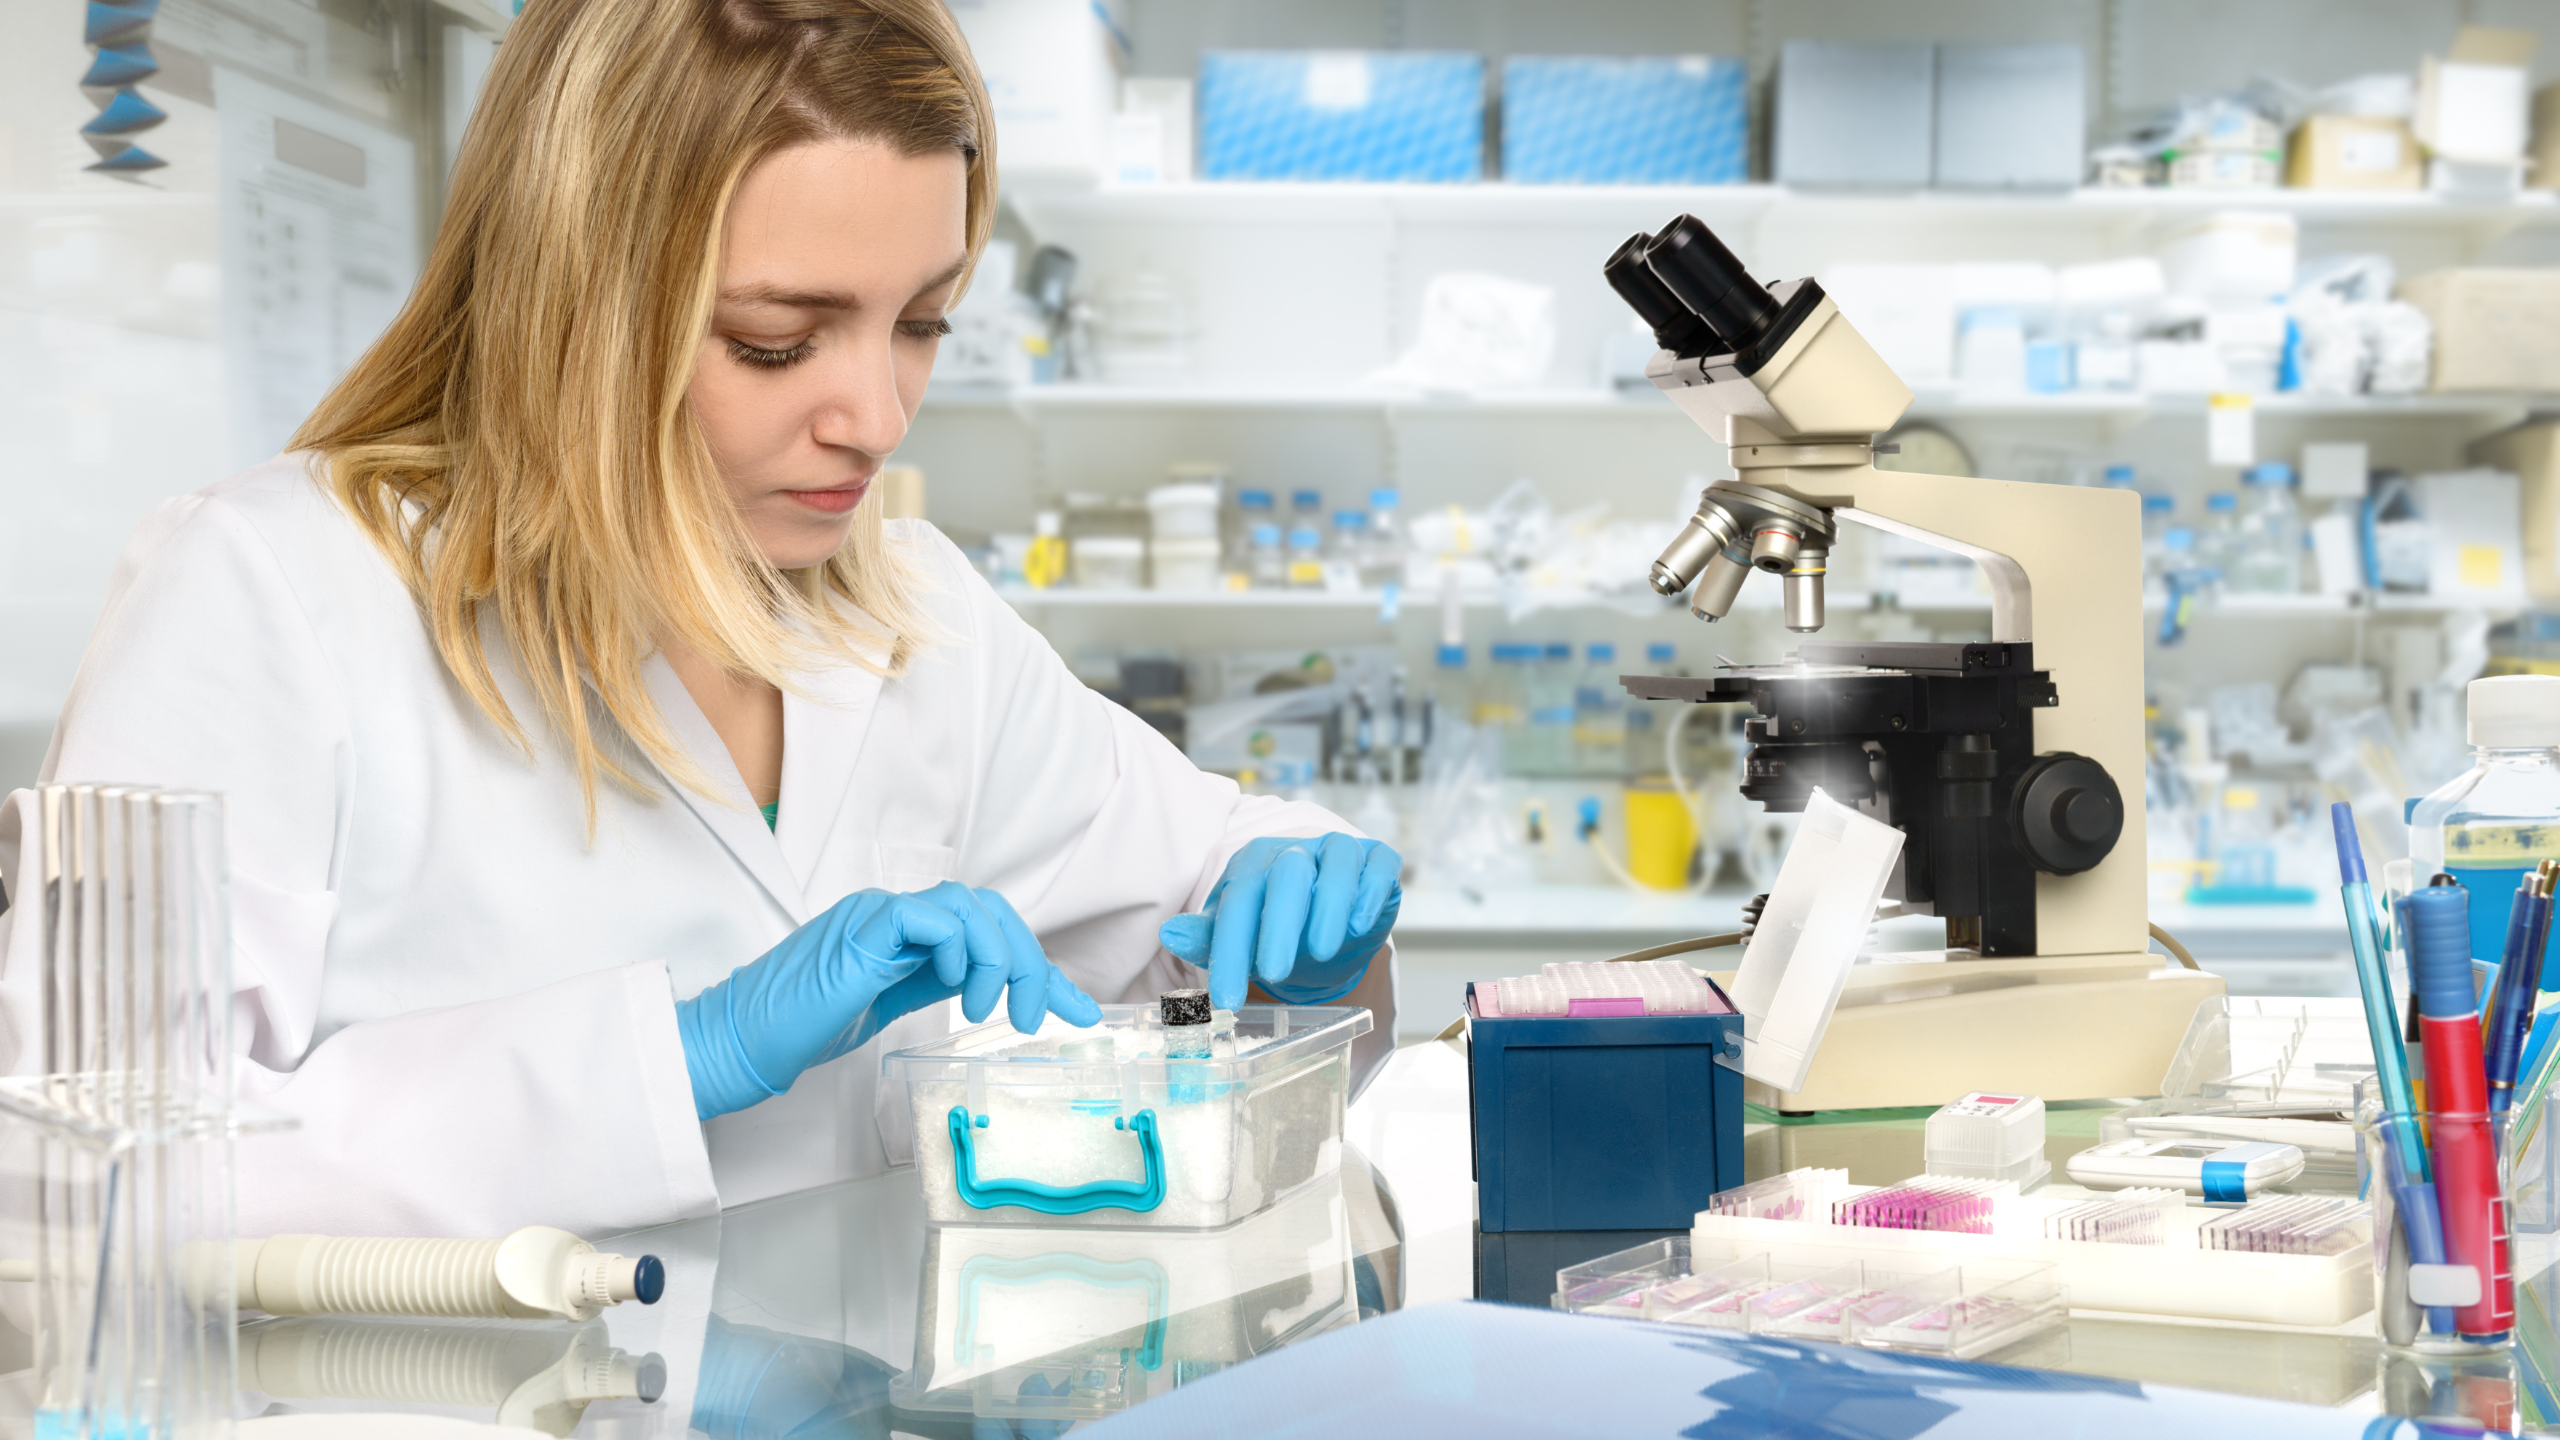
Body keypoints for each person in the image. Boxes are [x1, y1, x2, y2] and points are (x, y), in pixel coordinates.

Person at [0, 0, 1398, 1239]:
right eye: (775, 341)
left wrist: (1301, 933)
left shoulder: (917, 617)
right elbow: (70, 1175)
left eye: (921, 323)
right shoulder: (274, 590)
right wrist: (675, 1059)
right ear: (579, 299)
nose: (877, 417)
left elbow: (1192, 900)